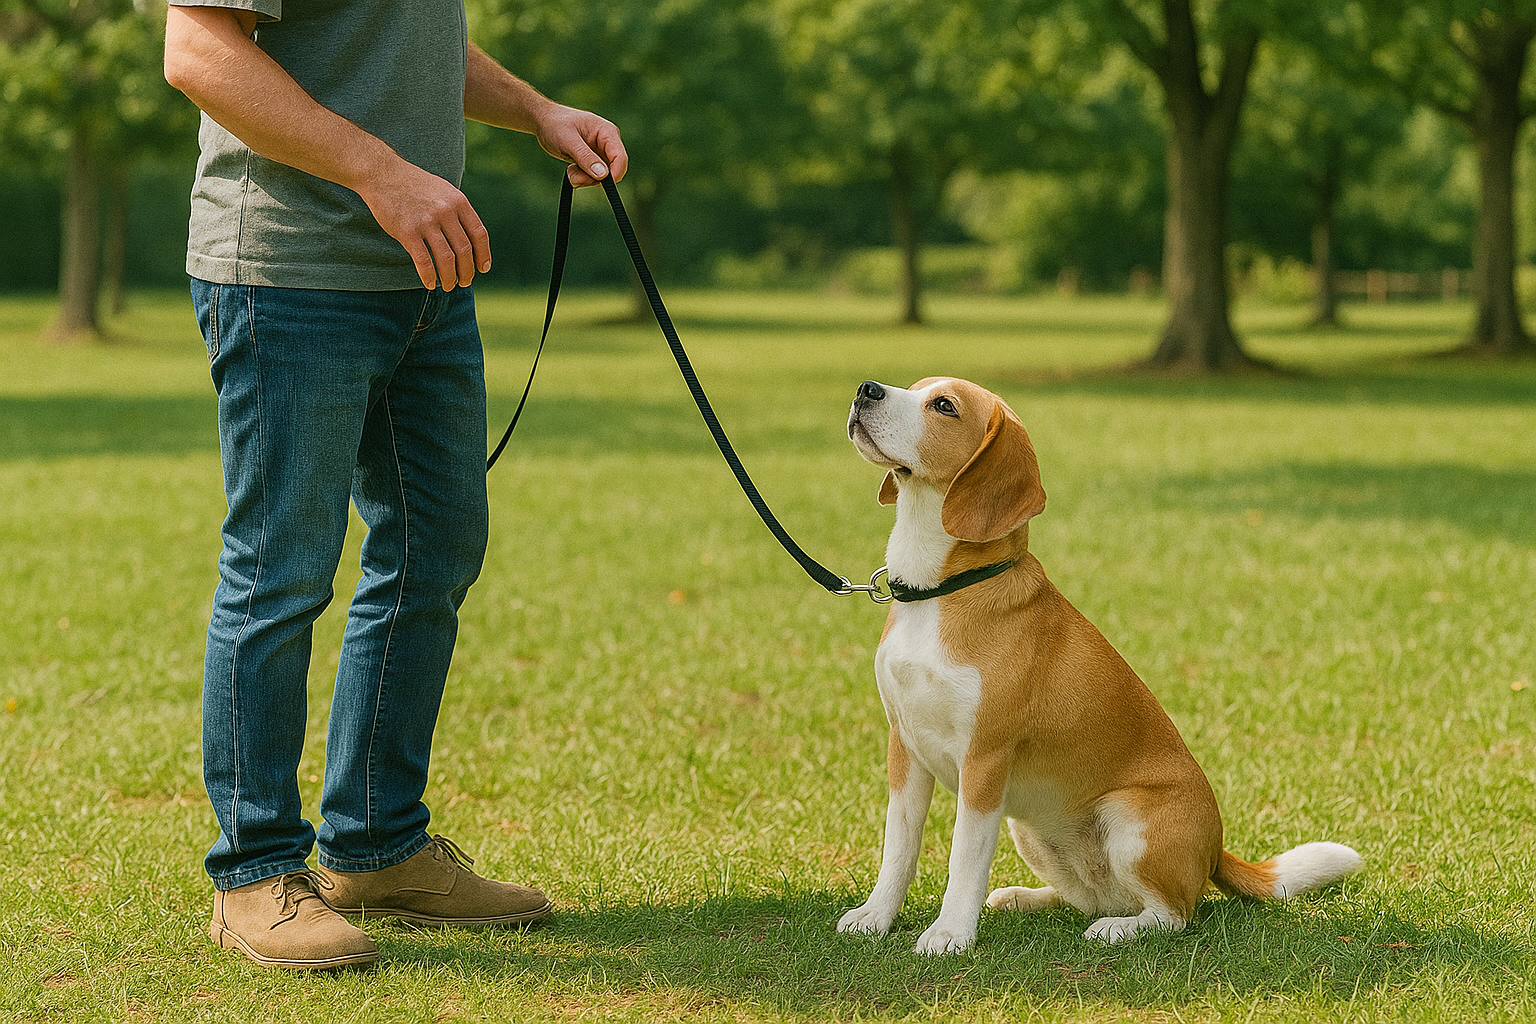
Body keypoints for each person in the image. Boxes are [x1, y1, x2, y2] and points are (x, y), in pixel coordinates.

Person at [163, 1, 627, 970]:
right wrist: (385, 173)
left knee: (436, 548)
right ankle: (254, 873)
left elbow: (410, 44)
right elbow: (199, 51)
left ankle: (377, 847)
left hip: (424, 280)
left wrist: (538, 111)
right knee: (281, 571)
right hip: (290, 275)